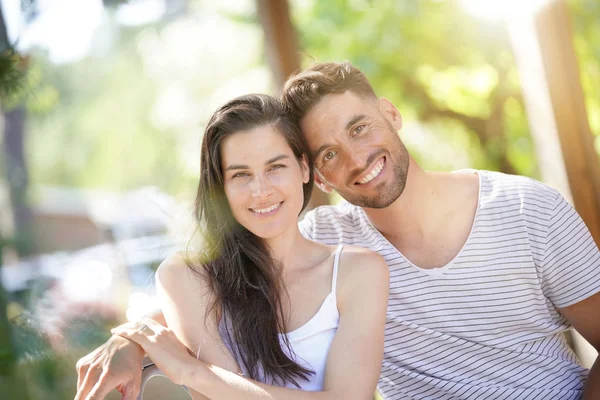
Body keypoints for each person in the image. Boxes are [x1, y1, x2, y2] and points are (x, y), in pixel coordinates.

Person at [76, 62, 600, 400]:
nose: (355, 159)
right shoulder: (329, 236)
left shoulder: (528, 210)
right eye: (329, 153)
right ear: (317, 174)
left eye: (360, 127)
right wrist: (130, 342)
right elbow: (212, 283)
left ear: (390, 114)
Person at [76, 94, 389, 400]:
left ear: (304, 168)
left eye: (276, 167)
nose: (261, 190)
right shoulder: (186, 277)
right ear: (221, 189)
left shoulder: (358, 272)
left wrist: (188, 370)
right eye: (241, 175)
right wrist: (134, 337)